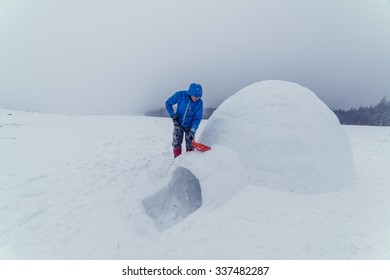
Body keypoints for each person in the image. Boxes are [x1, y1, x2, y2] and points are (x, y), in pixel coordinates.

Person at [165, 83, 203, 158]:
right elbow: (168, 103)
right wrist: (173, 115)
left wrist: (193, 130)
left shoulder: (199, 103)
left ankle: (188, 161)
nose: (197, 98)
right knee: (177, 142)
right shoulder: (180, 95)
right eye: (196, 96)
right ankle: (177, 159)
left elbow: (197, 118)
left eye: (199, 96)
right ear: (190, 93)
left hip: (190, 126)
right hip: (178, 123)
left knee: (190, 145)